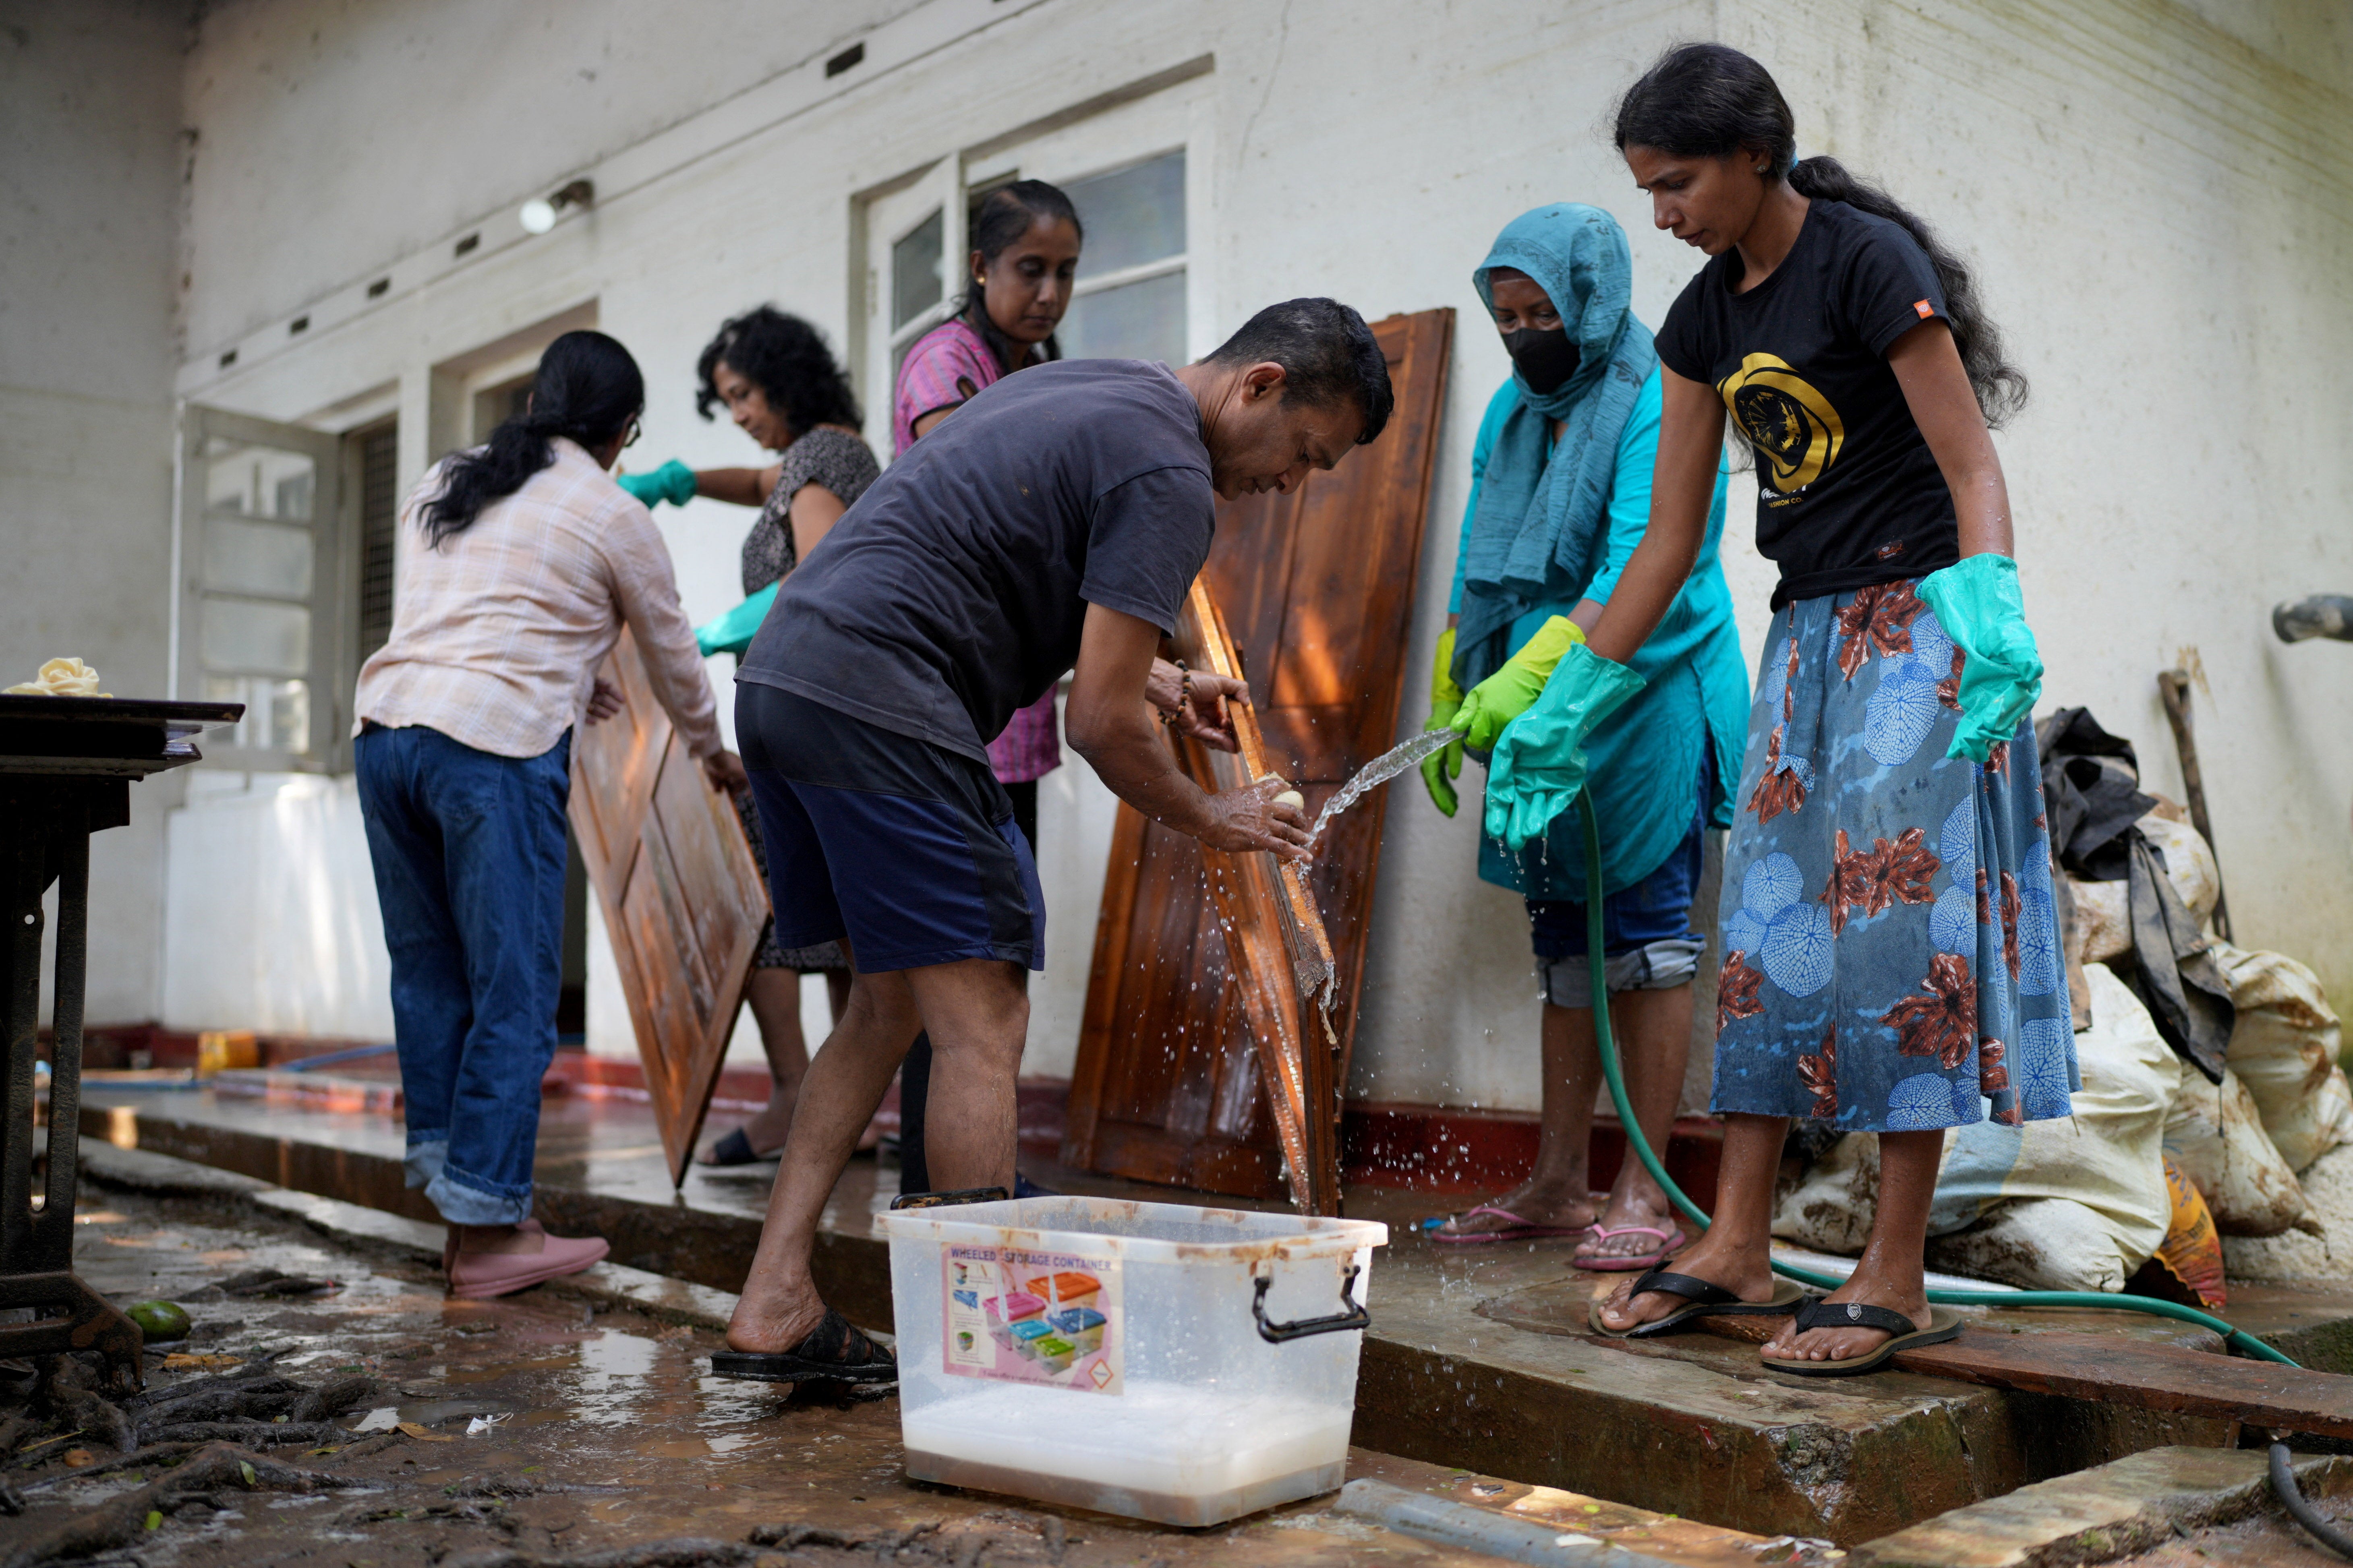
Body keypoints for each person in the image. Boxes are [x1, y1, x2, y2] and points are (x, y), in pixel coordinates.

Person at [711, 298, 1394, 1382]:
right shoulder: (1172, 478)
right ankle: (1003, 1358)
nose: (1290, 483)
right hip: (885, 693)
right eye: (1304, 454)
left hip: (790, 677)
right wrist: (1214, 816)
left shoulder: (1093, 388)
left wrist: (1160, 678)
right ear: (1260, 384)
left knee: (891, 1003)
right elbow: (1097, 726)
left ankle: (776, 1295)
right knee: (984, 1015)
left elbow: (993, 569)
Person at [1535, 44, 2071, 1371]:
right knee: (1767, 944)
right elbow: (1665, 544)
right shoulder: (1702, 320)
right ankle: (1733, 1242)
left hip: (1920, 630)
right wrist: (1568, 696)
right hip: (1805, 638)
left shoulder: (1864, 261)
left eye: (1676, 183)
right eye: (1647, 190)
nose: (1661, 213)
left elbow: (1969, 464)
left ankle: (1893, 1274)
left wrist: (1990, 603)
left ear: (1754, 156)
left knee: (1902, 946)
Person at [354, 330, 747, 1299]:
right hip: (488, 753)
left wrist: (574, 682)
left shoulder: (450, 480)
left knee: (432, 978)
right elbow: (674, 663)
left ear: (537, 403)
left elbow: (473, 617)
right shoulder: (610, 512)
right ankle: (490, 1237)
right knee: (515, 990)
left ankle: (471, 1209)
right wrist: (711, 753)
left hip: (387, 735)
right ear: (623, 432)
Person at [1419, 204, 1747, 1272]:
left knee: (1646, 947)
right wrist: (1464, 664)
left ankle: (1644, 1188)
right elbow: (1482, 547)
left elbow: (1643, 568)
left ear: (1593, 300)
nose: (1524, 335)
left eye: (1542, 311)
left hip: (1646, 685)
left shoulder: (1658, 393)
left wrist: (1546, 676)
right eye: (1506, 316)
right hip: (1541, 700)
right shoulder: (1514, 414)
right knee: (1563, 945)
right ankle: (1559, 1180)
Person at [620, 307, 879, 1166]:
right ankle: (843, 1109)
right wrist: (684, 481)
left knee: (781, 915)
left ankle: (805, 1100)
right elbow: (772, 483)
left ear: (783, 381)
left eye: (741, 395)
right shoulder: (823, 458)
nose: (735, 412)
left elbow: (823, 578)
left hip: (808, 719)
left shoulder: (824, 459)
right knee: (837, 921)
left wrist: (718, 630)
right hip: (822, 718)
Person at [888, 179, 1084, 1196]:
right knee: (961, 972)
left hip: (1007, 713)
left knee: (994, 964)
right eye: (1027, 270)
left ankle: (959, 1175)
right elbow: (981, 506)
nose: (1047, 293)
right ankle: (940, 1185)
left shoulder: (1032, 367)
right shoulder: (943, 367)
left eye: (1062, 274)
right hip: (946, 708)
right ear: (977, 269)